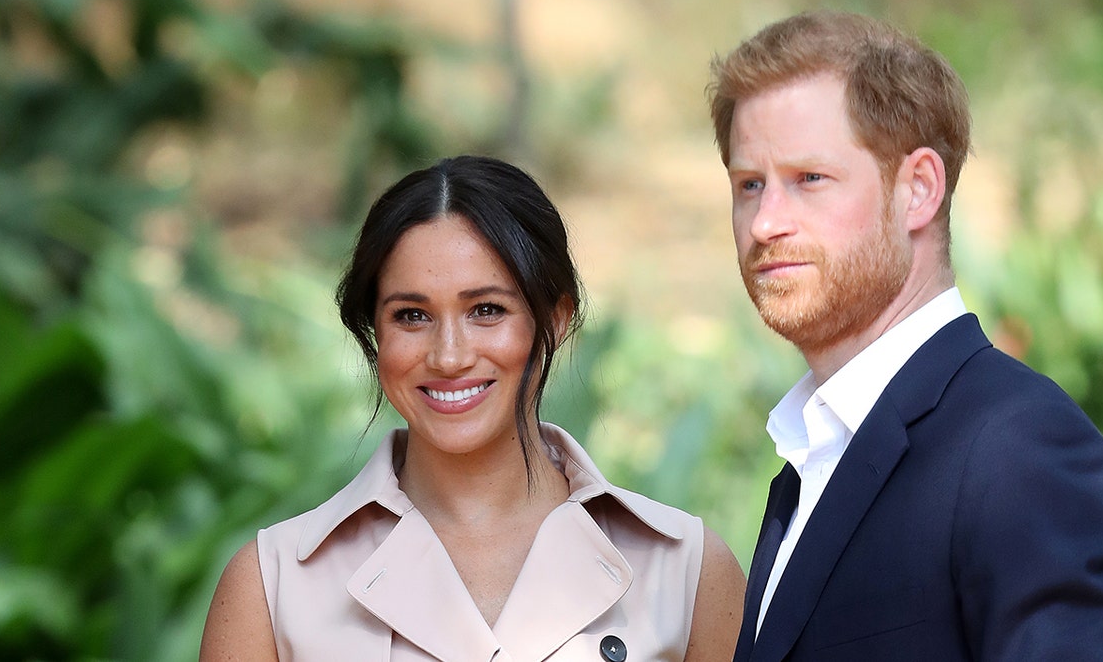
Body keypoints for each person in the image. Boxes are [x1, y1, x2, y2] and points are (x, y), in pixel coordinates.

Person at [706, 11, 1103, 661]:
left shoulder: (1021, 452)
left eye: (809, 179)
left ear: (918, 189)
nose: (765, 221)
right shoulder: (815, 457)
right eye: (750, 185)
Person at [200, 155, 746, 660]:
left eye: (486, 310)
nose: (449, 355)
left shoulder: (687, 572)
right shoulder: (272, 586)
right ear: (375, 332)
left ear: (554, 319)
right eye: (411, 316)